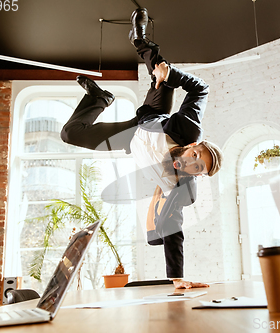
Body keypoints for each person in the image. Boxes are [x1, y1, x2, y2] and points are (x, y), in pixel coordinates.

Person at [60, 8, 223, 289]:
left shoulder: (178, 185)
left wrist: (177, 278)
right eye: (195, 156)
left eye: (198, 170)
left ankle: (99, 98)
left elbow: (174, 228)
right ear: (193, 146)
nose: (191, 164)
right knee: (160, 71)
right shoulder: (189, 130)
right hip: (152, 118)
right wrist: (173, 77)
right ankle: (141, 40)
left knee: (70, 134)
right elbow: (201, 90)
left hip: (130, 137)